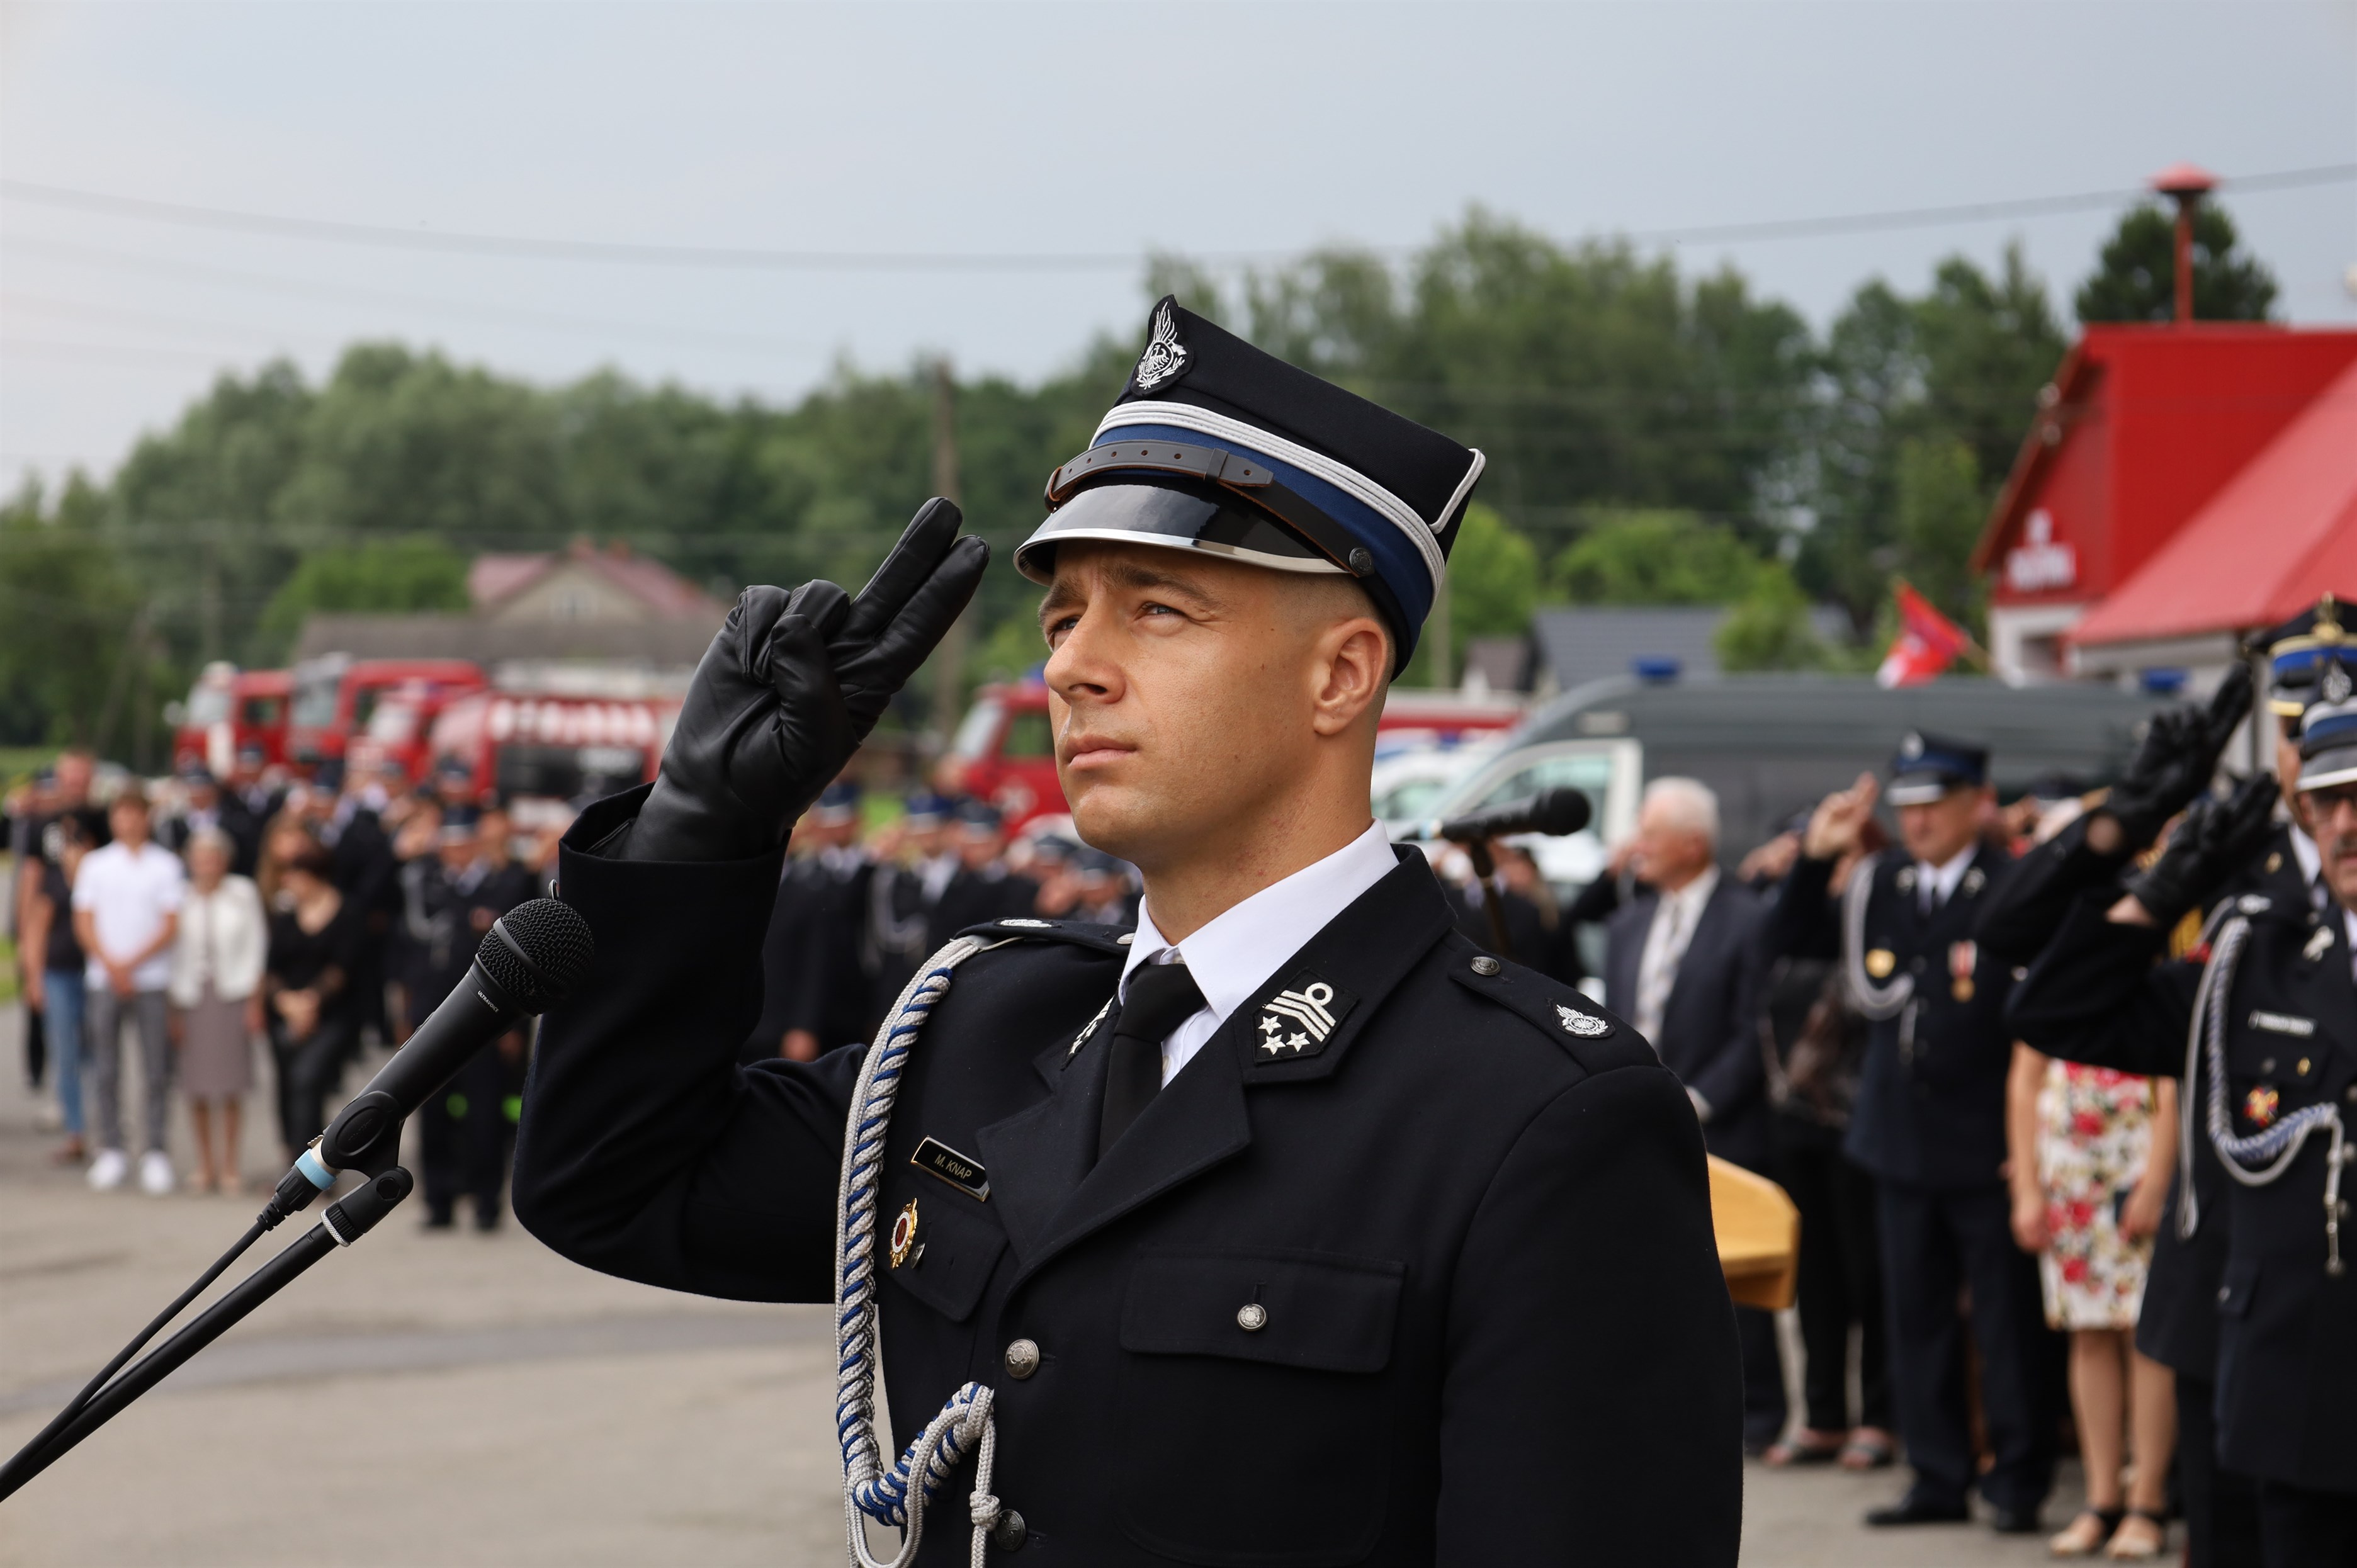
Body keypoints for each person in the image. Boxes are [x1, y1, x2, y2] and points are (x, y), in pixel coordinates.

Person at [512, 298, 1741, 1563]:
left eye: (1156, 609)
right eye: (1063, 618)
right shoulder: (983, 1030)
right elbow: (614, 1181)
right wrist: (700, 828)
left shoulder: (1532, 1115)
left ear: (1340, 673)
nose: (1071, 667)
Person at [2008, 657, 2357, 1568]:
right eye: (2328, 799)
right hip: (2289, 1370)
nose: (2347, 823)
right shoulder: (2256, 954)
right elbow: (2049, 1004)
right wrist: (2144, 864)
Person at [1974, 662, 2272, 1568]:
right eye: (2297, 739)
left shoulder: (2273, 889)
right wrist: (2126, 826)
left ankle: (2141, 1498)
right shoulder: (2228, 855)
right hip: (2219, 1262)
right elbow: (2023, 964)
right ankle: (2112, 1496)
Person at [1763, 736, 2057, 1533]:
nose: (1918, 821)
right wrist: (1814, 859)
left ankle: (2018, 1478)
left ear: (1976, 801)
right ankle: (1936, 1474)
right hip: (1899, 1137)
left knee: (2004, 1321)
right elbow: (1790, 942)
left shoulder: (2009, 884)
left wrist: (2028, 1143)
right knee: (1916, 1315)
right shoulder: (1881, 882)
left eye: (1934, 804)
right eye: (1909, 806)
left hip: (1985, 1136)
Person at [1602, 777, 1783, 1452]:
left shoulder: (1748, 918)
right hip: (1637, 1126)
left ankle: (1756, 1413)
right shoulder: (1627, 923)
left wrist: (1698, 1099)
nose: (1637, 846)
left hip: (1722, 1125)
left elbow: (1754, 1029)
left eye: (1651, 834)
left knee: (1732, 1279)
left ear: (1693, 843)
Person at [1756, 816, 1897, 1472]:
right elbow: (1783, 936)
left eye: (1845, 858)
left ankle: (1878, 1414)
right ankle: (1822, 1413)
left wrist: (1853, 866)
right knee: (1813, 1277)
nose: (1836, 871)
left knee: (1868, 1274)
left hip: (1860, 1121)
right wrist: (1809, 866)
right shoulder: (1797, 918)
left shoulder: (1878, 914)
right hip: (1797, 1122)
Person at [72, 786, 186, 1196]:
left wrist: (131, 963)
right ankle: (112, 1148)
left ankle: (155, 1149)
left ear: (147, 817)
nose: (129, 821)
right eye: (121, 813)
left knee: (155, 1067)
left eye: (135, 813)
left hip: (150, 978)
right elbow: (84, 920)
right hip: (105, 978)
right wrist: (112, 963)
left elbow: (170, 923)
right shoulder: (96, 864)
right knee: (106, 1066)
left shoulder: (166, 864)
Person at [168, 827, 266, 1193]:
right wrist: (172, 1010)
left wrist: (255, 1001)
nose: (207, 865)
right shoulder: (179, 896)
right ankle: (205, 1163)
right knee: (196, 1085)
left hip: (232, 994)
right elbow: (171, 953)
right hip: (190, 996)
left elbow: (257, 946)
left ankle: (230, 1165)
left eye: (213, 858)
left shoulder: (243, 893)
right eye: (200, 858)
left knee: (230, 1084)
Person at [262, 840, 361, 1162]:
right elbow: (272, 966)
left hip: (333, 1015)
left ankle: (312, 1163)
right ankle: (294, 1155)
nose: (288, 882)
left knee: (308, 1079)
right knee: (287, 1085)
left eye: (295, 875)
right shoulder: (286, 913)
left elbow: (343, 968)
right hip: (286, 1012)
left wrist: (311, 1003)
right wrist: (286, 1003)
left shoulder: (347, 912)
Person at [20, 815, 94, 1165]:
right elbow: (36, 931)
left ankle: (101, 1125)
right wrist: (34, 979)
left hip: (93, 976)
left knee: (96, 1054)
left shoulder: (97, 880)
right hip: (59, 974)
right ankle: (75, 1130)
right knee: (66, 1053)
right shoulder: (52, 882)